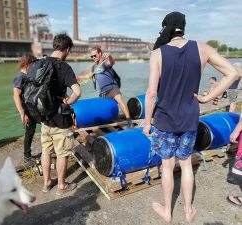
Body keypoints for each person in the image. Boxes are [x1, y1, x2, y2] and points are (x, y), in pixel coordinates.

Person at [143, 12, 239, 223]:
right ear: (184, 28)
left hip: (165, 120)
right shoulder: (202, 49)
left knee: (167, 166)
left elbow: (151, 94)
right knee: (186, 163)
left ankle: (167, 211)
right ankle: (188, 210)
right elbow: (233, 73)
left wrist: (146, 122)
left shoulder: (158, 54)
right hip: (189, 119)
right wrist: (207, 98)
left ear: (166, 28)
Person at [41, 33, 81, 195]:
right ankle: (62, 186)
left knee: (46, 151)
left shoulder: (40, 63)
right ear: (67, 49)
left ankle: (46, 183)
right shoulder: (64, 67)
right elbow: (77, 92)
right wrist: (68, 101)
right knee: (62, 153)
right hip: (60, 120)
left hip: (44, 118)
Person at [90, 47, 133, 128]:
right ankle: (111, 118)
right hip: (103, 92)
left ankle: (128, 120)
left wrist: (109, 56)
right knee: (106, 108)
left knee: (119, 100)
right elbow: (90, 77)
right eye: (91, 56)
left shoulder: (105, 63)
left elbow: (112, 62)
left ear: (100, 54)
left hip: (112, 88)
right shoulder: (93, 67)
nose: (93, 58)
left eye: (94, 55)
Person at [13, 54, 38, 163]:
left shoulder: (27, 75)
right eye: (33, 64)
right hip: (27, 110)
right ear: (27, 64)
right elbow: (16, 95)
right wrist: (22, 113)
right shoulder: (20, 77)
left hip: (33, 108)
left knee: (32, 131)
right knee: (29, 132)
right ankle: (27, 156)